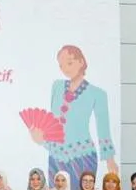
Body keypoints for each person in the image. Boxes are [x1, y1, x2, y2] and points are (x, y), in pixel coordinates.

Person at [33, 44, 117, 178]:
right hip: (56, 156)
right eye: (61, 66)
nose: (65, 69)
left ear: (81, 61)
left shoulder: (98, 94)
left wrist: (110, 160)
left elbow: (103, 128)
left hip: (83, 156)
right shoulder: (57, 86)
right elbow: (53, 123)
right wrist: (41, 139)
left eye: (69, 63)